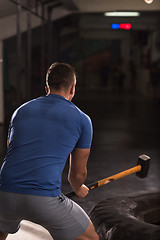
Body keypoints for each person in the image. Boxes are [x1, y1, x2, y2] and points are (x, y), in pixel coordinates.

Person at [0, 62, 99, 240]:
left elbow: (13, 150)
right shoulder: (82, 119)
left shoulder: (20, 111)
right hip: (43, 200)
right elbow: (76, 175)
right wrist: (78, 188)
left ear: (47, 88)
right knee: (90, 237)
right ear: (73, 88)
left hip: (4, 193)